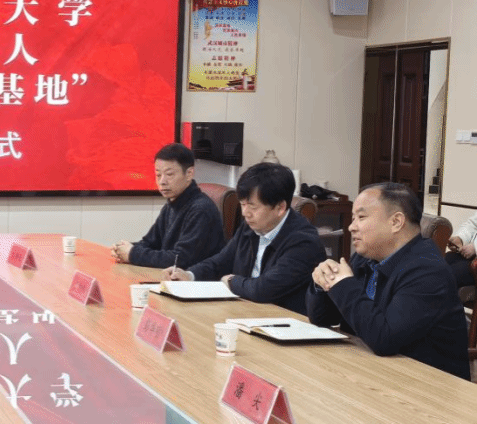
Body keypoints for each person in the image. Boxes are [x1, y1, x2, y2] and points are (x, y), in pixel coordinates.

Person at [307, 183, 470, 380]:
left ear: (396, 222)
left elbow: (384, 339)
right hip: (372, 371)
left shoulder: (427, 271)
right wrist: (323, 283)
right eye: (353, 218)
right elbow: (322, 318)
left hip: (426, 385)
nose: (351, 226)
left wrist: (343, 285)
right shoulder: (367, 256)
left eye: (361, 217)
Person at [162, 162, 325, 314]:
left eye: (252, 206)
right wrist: (189, 275)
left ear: (280, 207)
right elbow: (221, 262)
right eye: (242, 204)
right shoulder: (252, 226)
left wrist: (232, 282)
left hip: (283, 322)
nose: (245, 213)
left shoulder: (304, 242)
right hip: (246, 312)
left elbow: (264, 290)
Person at [110, 143, 224, 268]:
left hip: (196, 279)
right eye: (158, 175)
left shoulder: (201, 210)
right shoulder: (172, 204)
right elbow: (150, 243)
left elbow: (181, 259)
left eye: (169, 174)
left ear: (189, 173)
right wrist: (124, 249)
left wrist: (132, 254)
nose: (162, 181)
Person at [446, 209, 477, 288]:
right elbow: (472, 225)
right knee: (441, 261)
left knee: (451, 274)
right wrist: (460, 238)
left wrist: (475, 247)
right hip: (471, 257)